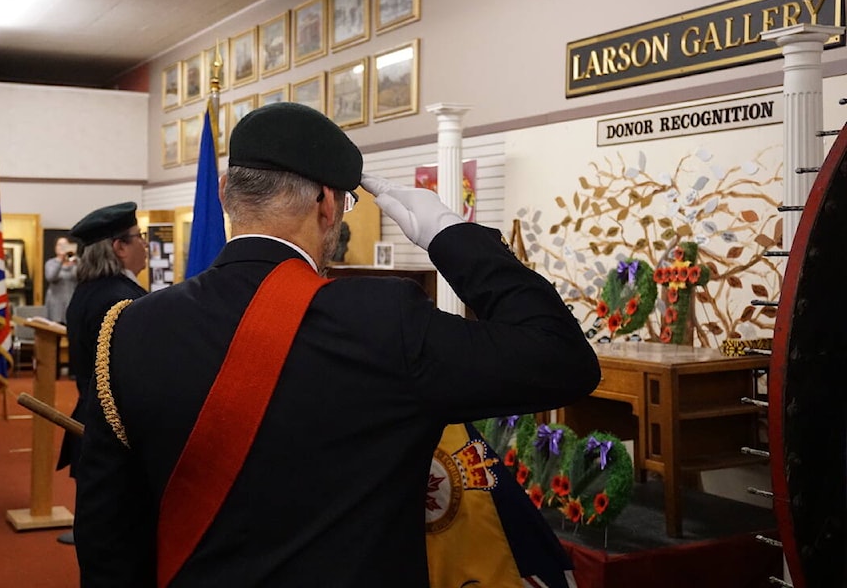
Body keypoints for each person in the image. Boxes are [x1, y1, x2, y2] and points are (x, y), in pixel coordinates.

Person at [73, 102, 600, 587]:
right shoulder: (384, 321)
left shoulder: (129, 330)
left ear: (224, 194)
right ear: (327, 203)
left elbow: (106, 538)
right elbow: (562, 358)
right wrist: (447, 233)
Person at [56, 202, 148, 544]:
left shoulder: (87, 291)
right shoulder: (122, 299)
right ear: (119, 247)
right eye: (139, 237)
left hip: (92, 409)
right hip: (120, 425)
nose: (145, 246)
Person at [44, 236, 78, 323]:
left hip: (71, 303)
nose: (62, 247)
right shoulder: (51, 263)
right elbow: (51, 277)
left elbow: (82, 276)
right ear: (55, 248)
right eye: (60, 245)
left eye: (65, 245)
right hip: (55, 305)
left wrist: (76, 260)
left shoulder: (75, 263)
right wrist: (61, 261)